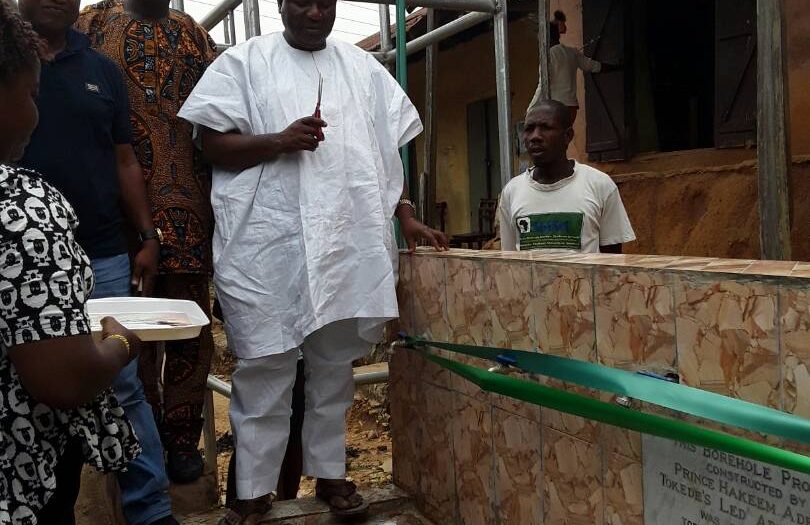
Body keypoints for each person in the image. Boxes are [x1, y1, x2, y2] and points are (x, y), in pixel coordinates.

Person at [177, 0, 448, 521]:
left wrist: (406, 213)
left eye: (325, 2)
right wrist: (279, 141)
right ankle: (253, 490)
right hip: (266, 246)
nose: (315, 13)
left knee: (333, 366)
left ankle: (330, 473)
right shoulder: (244, 62)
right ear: (281, 4)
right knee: (265, 366)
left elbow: (384, 154)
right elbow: (211, 145)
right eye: (302, 1)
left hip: (344, 242)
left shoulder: (362, 69)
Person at [16, 0, 181, 521]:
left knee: (123, 385)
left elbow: (124, 158)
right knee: (30, 385)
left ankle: (149, 507)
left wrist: (147, 236)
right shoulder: (8, 65)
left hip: (101, 252)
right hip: (21, 262)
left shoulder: (101, 70)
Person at [0, 2, 142, 522]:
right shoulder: (20, 207)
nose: (35, 114)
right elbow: (64, 379)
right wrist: (121, 343)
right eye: (30, 95)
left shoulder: (101, 68)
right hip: (19, 483)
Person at [76, 0, 218, 484]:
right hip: (118, 219)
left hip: (191, 215)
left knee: (190, 336)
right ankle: (142, 439)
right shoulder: (92, 23)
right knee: (130, 334)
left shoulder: (195, 36)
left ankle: (182, 440)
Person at [499, 100, 635, 253]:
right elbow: (509, 258)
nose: (535, 136)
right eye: (529, 129)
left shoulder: (600, 185)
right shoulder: (511, 191)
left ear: (567, 136)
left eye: (546, 128)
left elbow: (612, 259)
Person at [529, 10, 617, 123]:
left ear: (546, 38)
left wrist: (530, 109)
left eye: (540, 39)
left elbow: (543, 85)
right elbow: (594, 66)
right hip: (571, 108)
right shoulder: (572, 53)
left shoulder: (547, 56)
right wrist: (616, 67)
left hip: (556, 108)